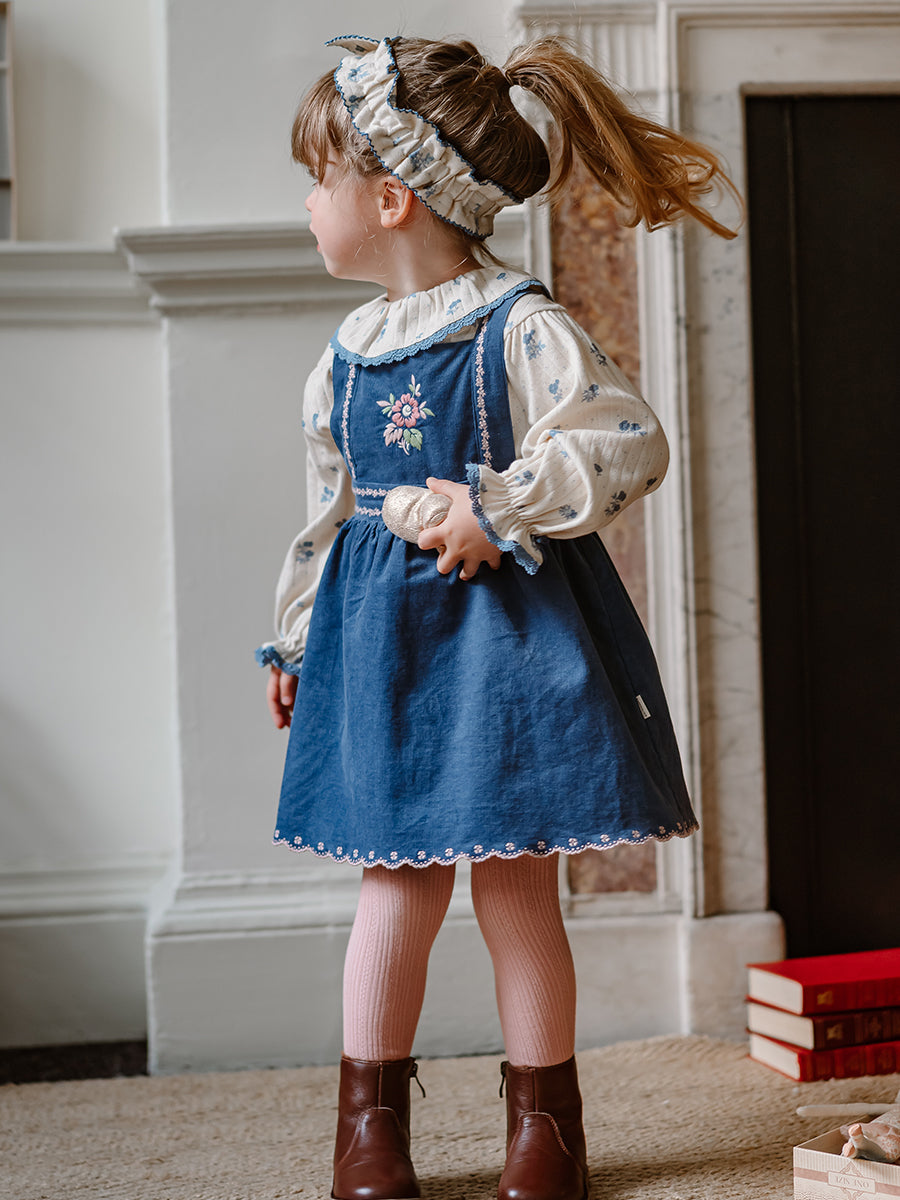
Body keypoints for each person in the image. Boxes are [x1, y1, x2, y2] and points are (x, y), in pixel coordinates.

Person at [256, 33, 737, 1200]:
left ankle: (547, 1131)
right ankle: (369, 1130)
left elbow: (625, 439)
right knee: (396, 882)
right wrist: (299, 637)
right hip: (383, 654)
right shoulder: (341, 362)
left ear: (390, 196)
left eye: (318, 180)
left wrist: (501, 503)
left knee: (516, 882)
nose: (308, 204)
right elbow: (328, 515)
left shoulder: (518, 325)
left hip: (506, 643)